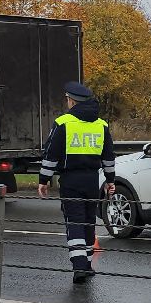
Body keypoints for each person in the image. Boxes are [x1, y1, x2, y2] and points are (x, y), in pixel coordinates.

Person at [37, 81, 115, 282]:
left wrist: (44, 180)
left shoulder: (63, 123)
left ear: (72, 101)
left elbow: (51, 154)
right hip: (92, 181)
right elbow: (108, 157)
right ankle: (87, 264)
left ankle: (79, 266)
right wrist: (110, 180)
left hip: (71, 180)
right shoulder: (102, 125)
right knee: (89, 222)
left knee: (75, 222)